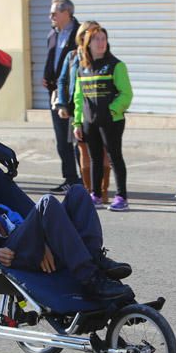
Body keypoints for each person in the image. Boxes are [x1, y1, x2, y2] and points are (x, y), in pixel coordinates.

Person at [0, 156, 133, 300]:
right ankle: (91, 279)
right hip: (9, 256)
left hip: (27, 244)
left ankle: (95, 258)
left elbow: (22, 223)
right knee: (47, 203)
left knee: (78, 192)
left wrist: (41, 240)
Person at [72, 25, 133, 212]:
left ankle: (121, 196)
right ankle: (96, 195)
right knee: (95, 159)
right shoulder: (83, 68)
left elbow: (126, 94)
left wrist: (112, 110)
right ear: (88, 44)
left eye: (103, 39)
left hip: (112, 121)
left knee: (115, 157)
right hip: (90, 122)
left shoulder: (116, 65)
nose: (101, 43)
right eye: (96, 39)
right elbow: (79, 97)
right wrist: (78, 122)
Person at [57, 21, 111, 202]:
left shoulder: (102, 57)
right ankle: (88, 191)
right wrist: (63, 105)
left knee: (103, 152)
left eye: (96, 35)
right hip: (78, 110)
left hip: (100, 111)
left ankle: (102, 191)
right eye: (88, 34)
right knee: (83, 151)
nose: (92, 38)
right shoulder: (72, 56)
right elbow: (63, 80)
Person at [43, 0, 81, 193]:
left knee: (76, 137)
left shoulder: (80, 33)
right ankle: (70, 178)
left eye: (54, 14)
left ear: (67, 13)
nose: (51, 17)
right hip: (56, 93)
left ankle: (84, 179)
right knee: (61, 139)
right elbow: (51, 58)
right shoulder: (53, 34)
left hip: (75, 92)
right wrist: (46, 77)